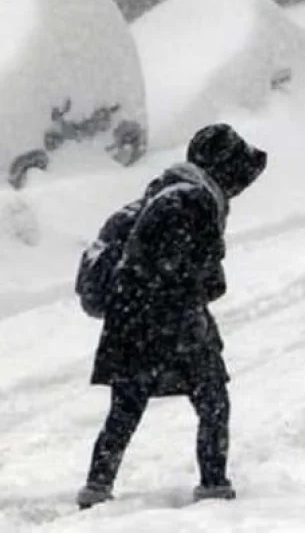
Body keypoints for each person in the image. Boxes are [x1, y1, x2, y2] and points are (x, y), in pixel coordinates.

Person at [76, 123, 267, 509]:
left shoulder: (162, 191)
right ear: (224, 169)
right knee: (213, 398)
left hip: (131, 322)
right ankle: (214, 486)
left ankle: (96, 488)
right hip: (171, 322)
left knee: (126, 408)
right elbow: (204, 278)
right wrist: (189, 292)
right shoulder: (193, 202)